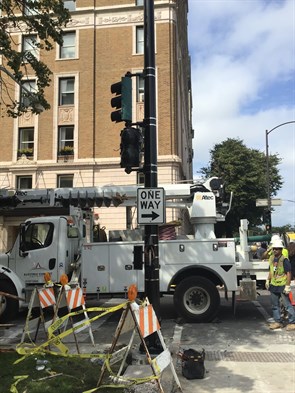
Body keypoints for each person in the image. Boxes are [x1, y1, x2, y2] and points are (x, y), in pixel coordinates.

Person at [265, 239, 295, 330]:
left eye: (277, 249)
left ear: (281, 250)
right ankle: (278, 322)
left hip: (282, 284)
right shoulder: (271, 259)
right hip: (274, 284)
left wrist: (287, 285)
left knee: (287, 305)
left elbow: (289, 273)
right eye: (274, 248)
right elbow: (271, 270)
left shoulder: (284, 260)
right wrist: (268, 280)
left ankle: (292, 322)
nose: (275, 250)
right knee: (275, 305)